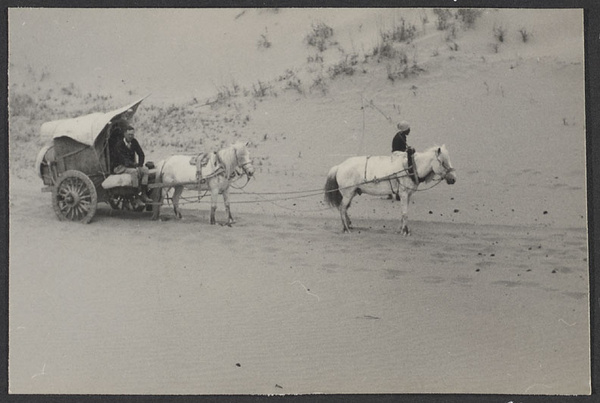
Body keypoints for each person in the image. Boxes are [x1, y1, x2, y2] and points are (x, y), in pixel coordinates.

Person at [112, 123, 153, 204]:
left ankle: (144, 194)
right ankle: (136, 197)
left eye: (132, 134)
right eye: (129, 134)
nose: (131, 136)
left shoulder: (134, 142)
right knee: (134, 172)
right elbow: (124, 160)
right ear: (124, 134)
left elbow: (141, 154)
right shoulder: (119, 145)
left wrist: (140, 165)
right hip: (119, 167)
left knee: (145, 170)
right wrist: (135, 166)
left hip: (130, 166)